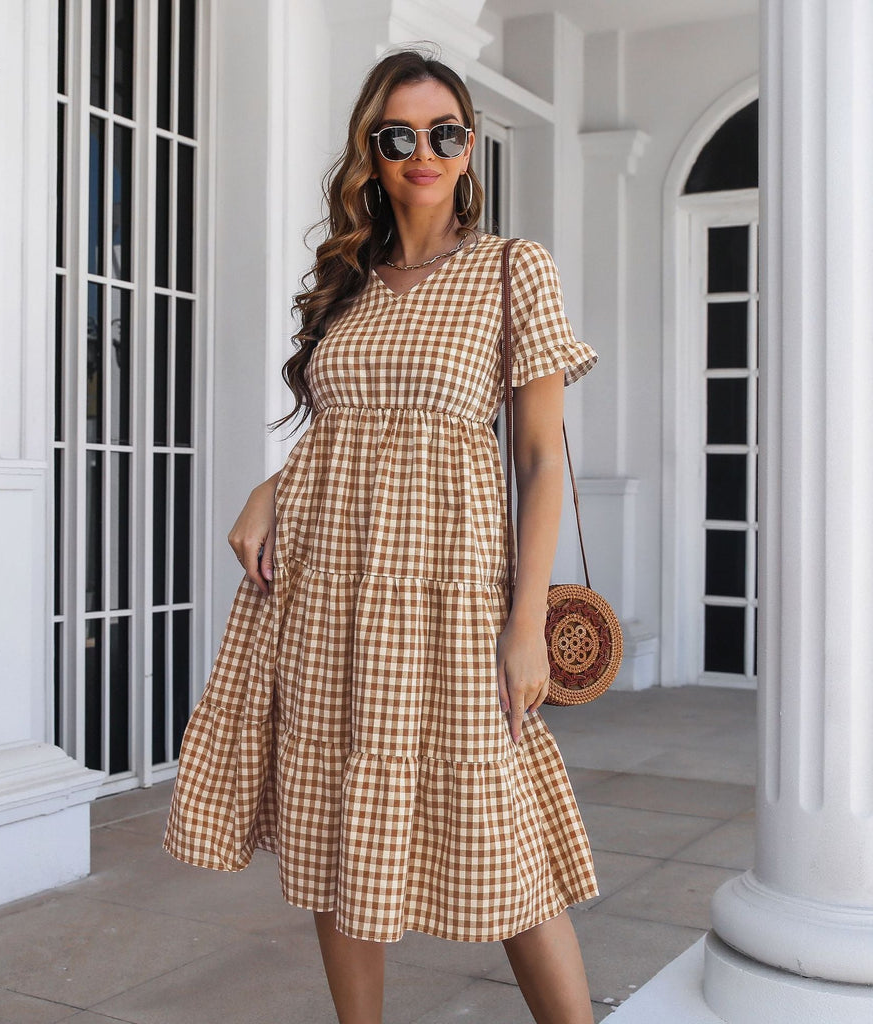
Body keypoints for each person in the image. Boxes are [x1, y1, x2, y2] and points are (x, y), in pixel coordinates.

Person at [164, 48, 601, 1024]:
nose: (423, 152)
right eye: (398, 135)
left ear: (469, 145)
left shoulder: (511, 268)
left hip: (450, 589)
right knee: (333, 821)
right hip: (328, 586)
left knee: (503, 831)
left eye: (444, 132)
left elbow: (540, 459)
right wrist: (270, 488)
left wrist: (526, 622)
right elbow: (348, 432)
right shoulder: (349, 278)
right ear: (372, 148)